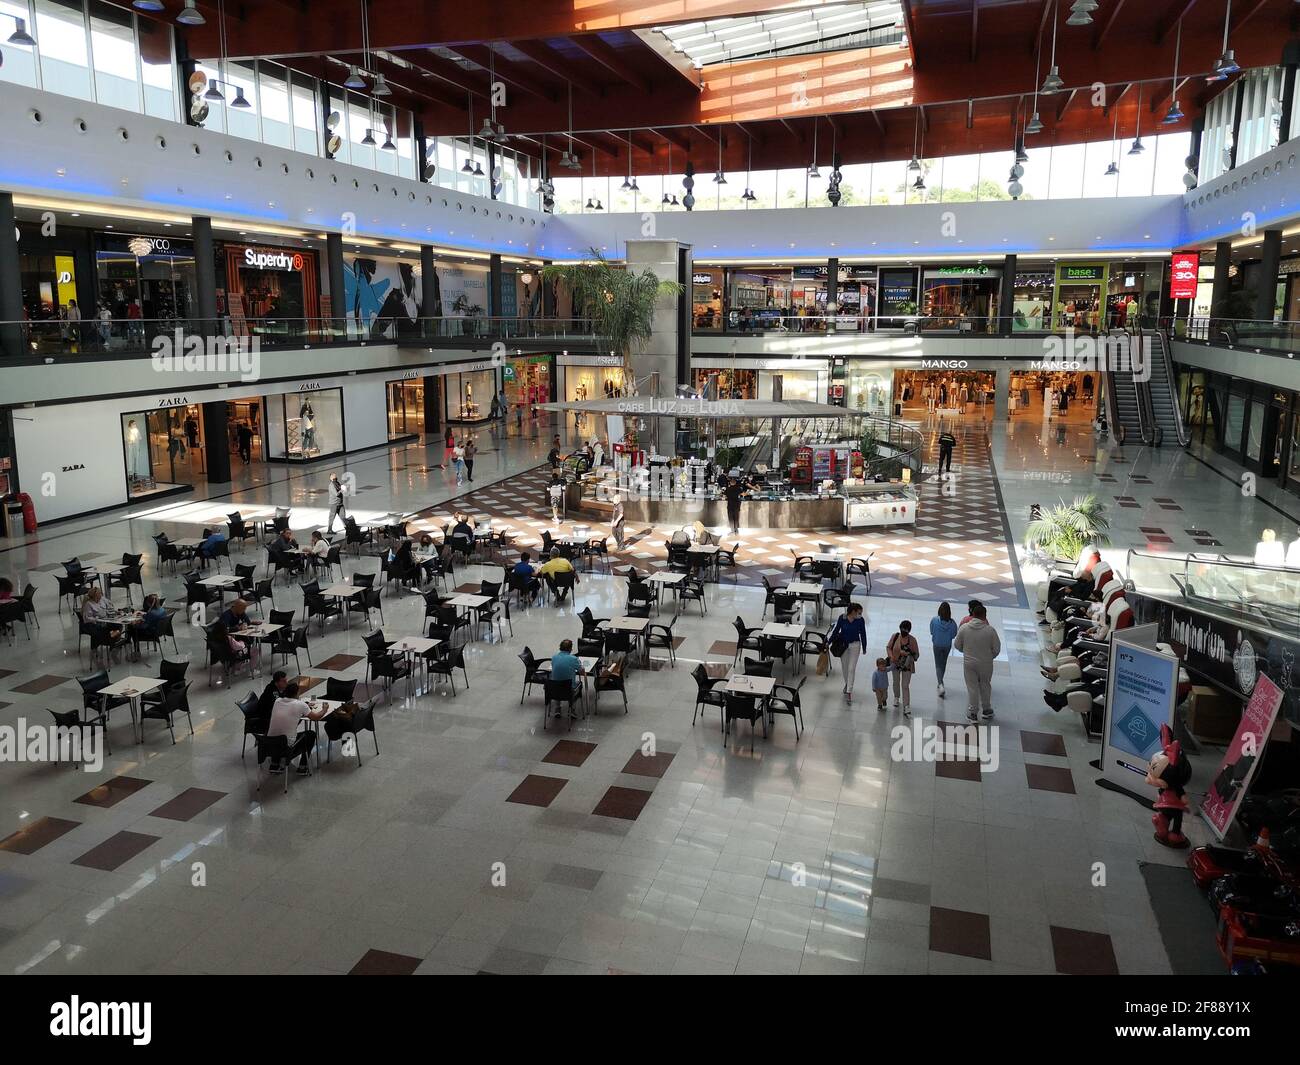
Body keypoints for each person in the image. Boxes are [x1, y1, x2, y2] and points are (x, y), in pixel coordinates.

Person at [265, 681, 327, 774]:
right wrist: (324, 709)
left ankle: (275, 764)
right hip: (287, 747)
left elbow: (289, 709)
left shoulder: (277, 701)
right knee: (310, 734)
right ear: (297, 693)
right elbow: (316, 717)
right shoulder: (301, 705)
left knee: (279, 734)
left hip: (270, 744)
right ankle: (302, 767)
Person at [953, 601, 1000, 722]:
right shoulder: (990, 631)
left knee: (972, 687)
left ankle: (973, 713)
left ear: (973, 614)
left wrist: (966, 651)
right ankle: (987, 709)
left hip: (969, 663)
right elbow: (997, 649)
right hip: (986, 663)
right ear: (985, 616)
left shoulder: (964, 628)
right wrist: (989, 657)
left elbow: (957, 645)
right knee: (985, 685)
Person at [829, 603, 868, 703]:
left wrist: (864, 646)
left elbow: (863, 633)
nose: (860, 615)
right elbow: (836, 630)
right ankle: (847, 683)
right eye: (859, 613)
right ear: (853, 612)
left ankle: (849, 692)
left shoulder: (860, 620)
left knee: (851, 668)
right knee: (845, 667)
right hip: (844, 645)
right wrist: (828, 641)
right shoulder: (842, 618)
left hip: (855, 645)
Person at [886, 619, 919, 717]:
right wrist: (891, 656)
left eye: (906, 630)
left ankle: (906, 706)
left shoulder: (912, 640)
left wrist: (908, 655)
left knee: (905, 685)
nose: (903, 632)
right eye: (902, 629)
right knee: (896, 681)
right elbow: (888, 647)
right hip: (895, 663)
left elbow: (916, 655)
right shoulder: (895, 636)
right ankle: (896, 697)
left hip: (907, 666)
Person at [930, 601, 958, 699]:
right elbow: (954, 634)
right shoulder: (953, 623)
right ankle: (940, 681)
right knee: (943, 663)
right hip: (947, 645)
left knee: (938, 664)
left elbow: (931, 631)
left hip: (937, 644)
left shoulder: (934, 620)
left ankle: (940, 684)